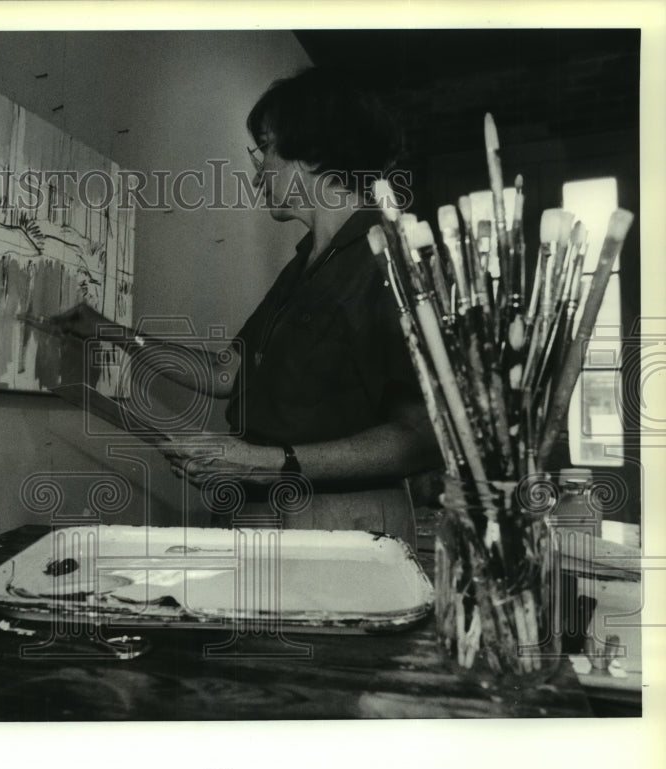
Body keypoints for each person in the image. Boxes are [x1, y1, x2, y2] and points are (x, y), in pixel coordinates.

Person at [52, 67, 441, 544]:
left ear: (312, 154)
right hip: (266, 511)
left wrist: (266, 463)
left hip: (343, 523)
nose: (259, 172)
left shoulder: (386, 258)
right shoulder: (306, 265)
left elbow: (423, 438)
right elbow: (225, 372)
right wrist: (107, 331)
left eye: (266, 150)